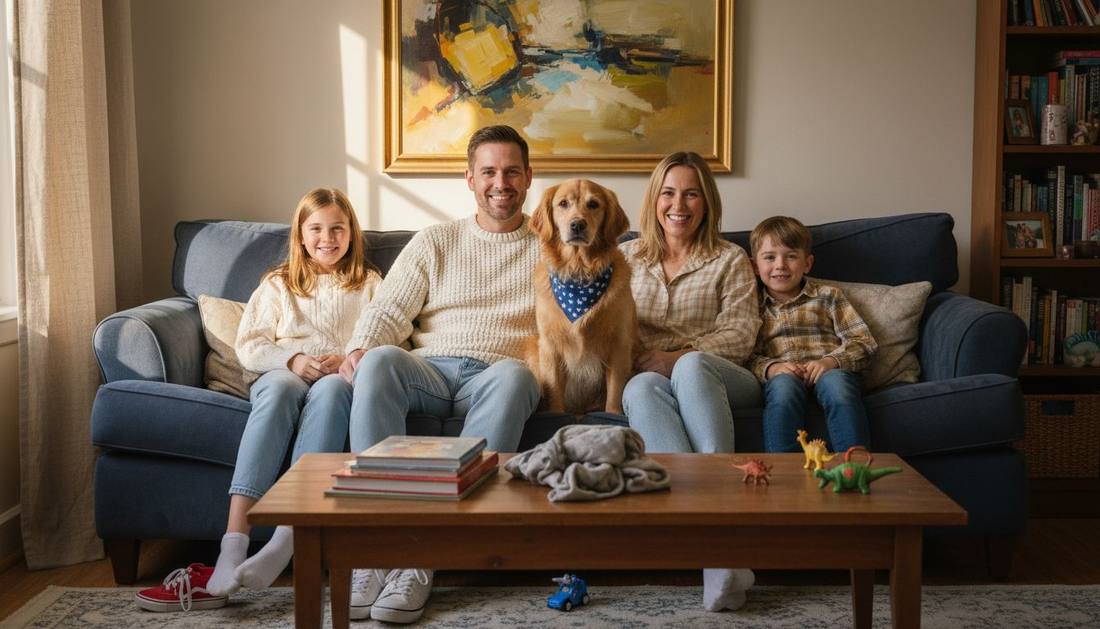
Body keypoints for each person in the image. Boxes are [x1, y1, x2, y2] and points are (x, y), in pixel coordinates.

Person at [135, 188, 381, 613]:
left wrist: (350, 358)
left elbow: (389, 335)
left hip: (338, 376)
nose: (328, 237)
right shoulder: (278, 283)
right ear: (301, 236)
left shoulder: (370, 283)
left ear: (351, 233)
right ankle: (233, 544)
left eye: (338, 228)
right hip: (282, 372)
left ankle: (287, 538)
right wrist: (292, 358)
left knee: (333, 391)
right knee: (282, 390)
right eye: (317, 228)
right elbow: (250, 345)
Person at [337, 124, 541, 623]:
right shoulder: (435, 241)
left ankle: (422, 557)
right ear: (469, 178)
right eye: (489, 171)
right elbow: (389, 309)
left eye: (512, 171)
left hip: (498, 375)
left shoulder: (552, 241)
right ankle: (375, 550)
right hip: (428, 370)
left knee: (516, 376)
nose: (501, 182)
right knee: (380, 359)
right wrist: (362, 347)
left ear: (529, 177)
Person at [619, 151, 761, 613]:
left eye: (691, 193)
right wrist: (647, 363)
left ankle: (724, 532)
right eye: (668, 193)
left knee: (692, 365)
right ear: (654, 200)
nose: (678, 204)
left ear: (707, 202)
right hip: (648, 378)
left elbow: (740, 336)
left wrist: (674, 357)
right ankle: (717, 555)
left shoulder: (729, 258)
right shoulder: (625, 257)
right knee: (637, 389)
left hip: (723, 375)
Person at [747, 215, 877, 456]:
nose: (780, 265)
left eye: (791, 256)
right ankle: (784, 476)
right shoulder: (751, 306)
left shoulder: (828, 296)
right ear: (755, 266)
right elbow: (745, 355)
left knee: (837, 385)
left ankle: (856, 466)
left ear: (807, 263)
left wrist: (831, 361)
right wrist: (772, 368)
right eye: (769, 257)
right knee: (784, 388)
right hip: (783, 376)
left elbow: (863, 342)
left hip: (831, 371)